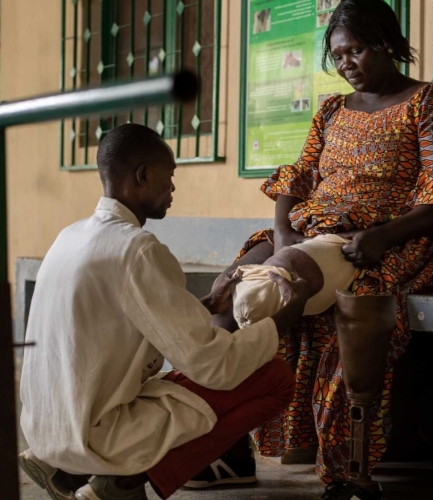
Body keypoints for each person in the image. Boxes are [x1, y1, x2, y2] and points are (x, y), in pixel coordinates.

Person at [212, 0, 433, 499]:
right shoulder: (332, 110)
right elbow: (299, 176)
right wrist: (283, 231)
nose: (346, 64)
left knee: (277, 291)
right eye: (338, 56)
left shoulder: (431, 102)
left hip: (388, 240)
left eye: (355, 50)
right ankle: (219, 441)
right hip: (308, 230)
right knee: (226, 298)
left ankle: (346, 467)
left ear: (387, 43)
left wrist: (382, 236)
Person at [18, 123, 315, 500]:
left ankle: (67, 468)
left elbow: (124, 315)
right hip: (94, 433)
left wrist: (205, 305)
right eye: (169, 176)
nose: (173, 188)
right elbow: (212, 366)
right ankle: (121, 482)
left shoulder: (71, 235)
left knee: (183, 378)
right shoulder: (138, 249)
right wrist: (286, 315)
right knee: (274, 378)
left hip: (45, 428)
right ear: (142, 175)